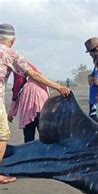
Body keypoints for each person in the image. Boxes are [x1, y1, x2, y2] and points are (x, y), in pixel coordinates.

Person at [0, 23, 70, 184]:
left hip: (28, 109)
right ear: (13, 40)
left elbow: (18, 88)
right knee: (2, 134)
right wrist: (58, 86)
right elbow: (33, 74)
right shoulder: (11, 54)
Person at [7, 61, 49, 143]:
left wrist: (11, 113)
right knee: (45, 137)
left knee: (29, 138)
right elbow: (48, 97)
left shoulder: (24, 85)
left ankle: (30, 154)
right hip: (42, 112)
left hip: (28, 114)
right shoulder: (43, 83)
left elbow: (16, 96)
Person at [84, 37, 98, 121]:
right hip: (94, 101)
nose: (90, 55)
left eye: (90, 52)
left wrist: (93, 80)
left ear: (95, 49)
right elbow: (90, 78)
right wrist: (92, 79)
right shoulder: (96, 64)